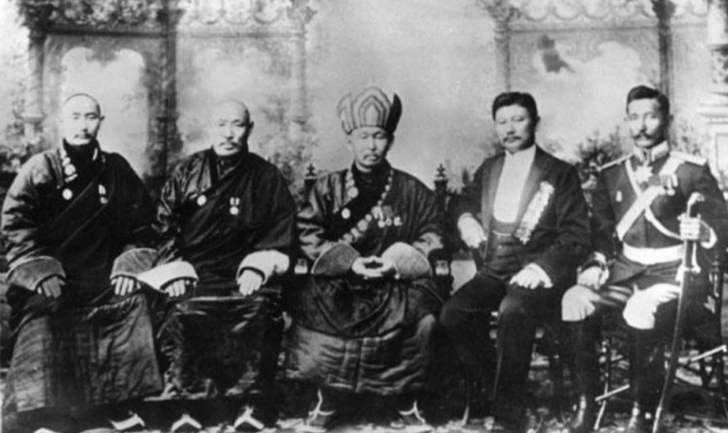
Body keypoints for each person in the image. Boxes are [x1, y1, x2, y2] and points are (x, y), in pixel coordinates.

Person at [561, 85, 728, 433]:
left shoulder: (692, 170)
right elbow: (603, 234)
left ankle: (642, 412)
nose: (641, 125)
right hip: (626, 272)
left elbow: (722, 224)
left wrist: (704, 232)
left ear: (666, 119)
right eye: (634, 117)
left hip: (677, 275)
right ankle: (586, 405)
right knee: (575, 300)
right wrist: (596, 263)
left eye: (650, 116)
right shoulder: (612, 174)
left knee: (641, 308)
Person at [285, 86, 448, 433]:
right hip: (341, 281)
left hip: (395, 282)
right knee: (311, 308)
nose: (371, 145)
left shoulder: (412, 190)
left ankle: (406, 402)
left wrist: (396, 261)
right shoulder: (326, 188)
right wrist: (349, 262)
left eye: (379, 136)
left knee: (423, 318)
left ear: (390, 141)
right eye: (363, 137)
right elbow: (307, 232)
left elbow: (433, 234)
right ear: (349, 141)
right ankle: (328, 400)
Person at [1, 93, 162, 433]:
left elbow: (143, 226)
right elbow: (15, 226)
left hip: (103, 276)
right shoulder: (40, 168)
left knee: (132, 303)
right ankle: (42, 413)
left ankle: (115, 405)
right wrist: (39, 270)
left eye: (90, 117)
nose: (82, 125)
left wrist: (129, 265)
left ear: (100, 122)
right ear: (62, 121)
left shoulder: (115, 169)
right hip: (53, 280)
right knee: (43, 315)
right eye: (75, 117)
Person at [439, 91, 591, 432]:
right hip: (495, 269)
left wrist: (541, 268)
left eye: (518, 120)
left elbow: (576, 236)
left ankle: (508, 417)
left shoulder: (560, 173)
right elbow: (462, 201)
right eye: (502, 122)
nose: (509, 129)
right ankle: (507, 397)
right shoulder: (490, 168)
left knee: (513, 311)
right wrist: (466, 219)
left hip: (540, 275)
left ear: (535, 123)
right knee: (454, 313)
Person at [153, 100, 296, 432]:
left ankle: (250, 405)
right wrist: (174, 268)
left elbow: (280, 231)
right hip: (194, 272)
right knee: (184, 309)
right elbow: (163, 227)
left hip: (245, 271)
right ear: (210, 127)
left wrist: (259, 266)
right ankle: (187, 406)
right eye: (221, 124)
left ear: (249, 129)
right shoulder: (186, 172)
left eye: (237, 125)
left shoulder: (265, 177)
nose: (228, 133)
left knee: (257, 306)